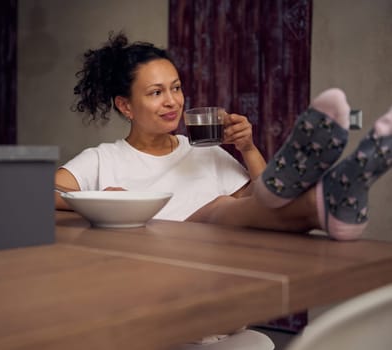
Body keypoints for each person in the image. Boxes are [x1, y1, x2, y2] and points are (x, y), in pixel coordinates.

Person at [54, 31, 392, 349]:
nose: (173, 102)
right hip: (147, 301)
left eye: (177, 88)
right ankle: (330, 197)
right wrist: (96, 200)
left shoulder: (207, 153)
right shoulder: (104, 159)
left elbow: (264, 207)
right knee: (220, 208)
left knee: (249, 206)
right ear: (126, 106)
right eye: (157, 93)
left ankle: (329, 202)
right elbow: (40, 193)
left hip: (218, 303)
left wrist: (248, 148)